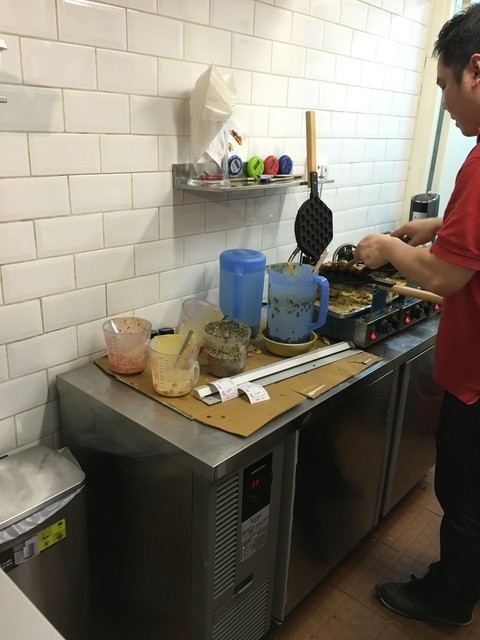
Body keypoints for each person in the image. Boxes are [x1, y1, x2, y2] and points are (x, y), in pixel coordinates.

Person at [354, 3, 480, 628]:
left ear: (476, 70)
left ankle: (449, 601)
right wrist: (433, 227)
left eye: (445, 86)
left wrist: (388, 247)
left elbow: (443, 277)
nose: (445, 104)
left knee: (463, 498)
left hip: (475, 383)